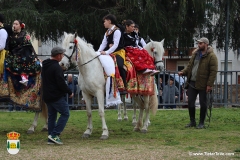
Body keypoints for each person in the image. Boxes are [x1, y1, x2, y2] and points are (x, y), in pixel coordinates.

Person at [178, 37, 218, 129]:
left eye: (200, 43)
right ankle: (192, 121)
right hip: (192, 82)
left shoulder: (212, 56)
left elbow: (213, 72)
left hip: (203, 83)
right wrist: (183, 72)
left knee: (203, 103)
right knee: (190, 102)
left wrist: (209, 84)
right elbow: (189, 67)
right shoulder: (195, 54)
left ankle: (201, 123)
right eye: (198, 43)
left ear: (206, 44)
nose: (198, 45)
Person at [41, 46, 74, 145]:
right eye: (62, 54)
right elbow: (60, 83)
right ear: (58, 56)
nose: (63, 56)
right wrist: (69, 91)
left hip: (47, 95)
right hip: (56, 96)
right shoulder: (56, 67)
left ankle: (51, 137)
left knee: (52, 116)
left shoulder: (45, 65)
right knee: (65, 113)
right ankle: (55, 134)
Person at [4, 20, 41, 86]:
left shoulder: (25, 35)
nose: (14, 25)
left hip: (23, 53)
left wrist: (36, 56)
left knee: (23, 60)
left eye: (16, 24)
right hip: (13, 53)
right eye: (13, 24)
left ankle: (25, 78)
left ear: (20, 26)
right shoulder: (11, 35)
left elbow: (29, 46)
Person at [97, 14, 127, 94]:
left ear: (109, 21)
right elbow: (103, 44)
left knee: (120, 66)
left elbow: (116, 45)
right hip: (110, 52)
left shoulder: (117, 31)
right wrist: (98, 52)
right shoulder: (107, 32)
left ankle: (124, 86)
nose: (104, 23)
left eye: (105, 21)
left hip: (118, 52)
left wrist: (106, 52)